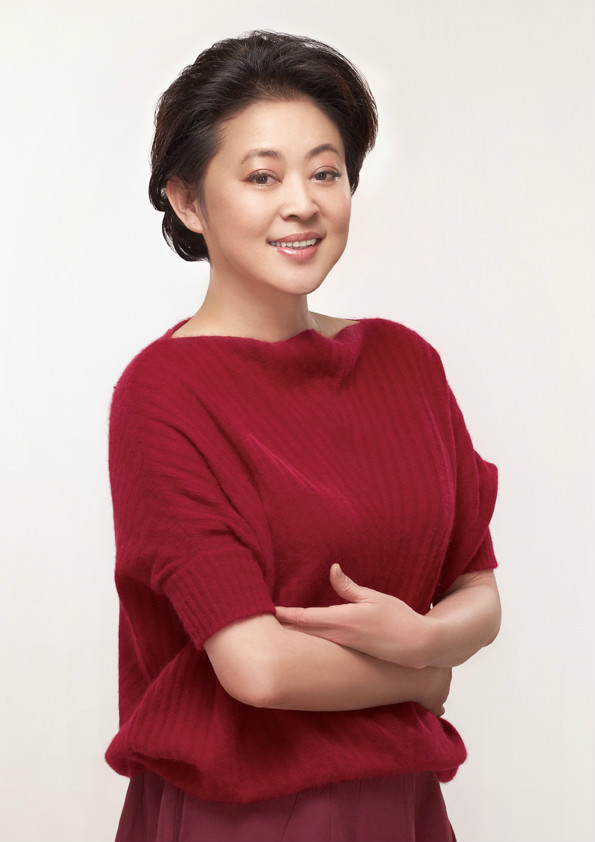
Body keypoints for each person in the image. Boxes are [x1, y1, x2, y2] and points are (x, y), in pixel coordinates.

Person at [107, 30, 501, 842]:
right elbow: (257, 668)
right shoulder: (163, 393)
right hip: (242, 816)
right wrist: (422, 675)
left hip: (400, 804)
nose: (302, 203)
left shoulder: (405, 362)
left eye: (325, 172)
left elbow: (478, 590)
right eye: (261, 176)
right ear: (187, 201)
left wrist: (426, 639)